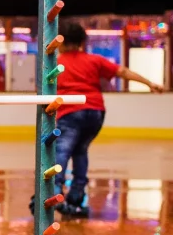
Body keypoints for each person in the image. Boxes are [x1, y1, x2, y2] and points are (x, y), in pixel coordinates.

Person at [51, 22, 163, 217]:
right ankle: (76, 196)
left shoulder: (57, 64)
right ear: (82, 42)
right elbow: (122, 72)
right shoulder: (94, 60)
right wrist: (149, 83)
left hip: (70, 111)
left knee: (63, 148)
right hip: (95, 112)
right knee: (80, 150)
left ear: (61, 41)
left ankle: (55, 189)